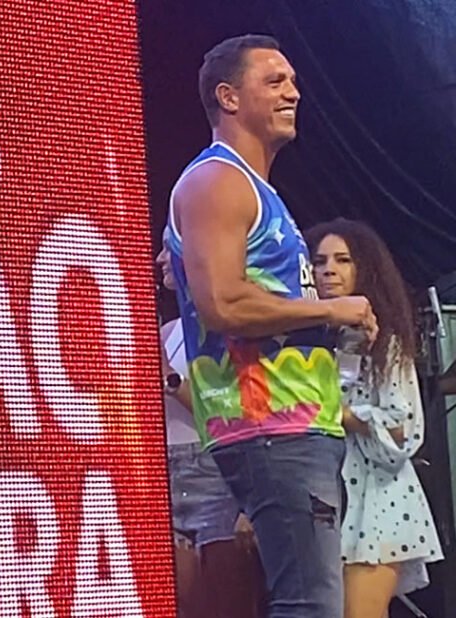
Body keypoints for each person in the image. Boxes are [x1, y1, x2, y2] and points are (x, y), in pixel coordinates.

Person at [163, 34, 378, 618]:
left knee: (311, 601)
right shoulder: (217, 181)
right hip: (269, 424)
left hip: (291, 424)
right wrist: (331, 309)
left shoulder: (252, 189)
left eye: (293, 81)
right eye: (274, 80)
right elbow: (223, 304)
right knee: (310, 605)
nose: (294, 92)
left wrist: (331, 329)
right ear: (228, 97)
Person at [307, 218, 443, 618]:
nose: (328, 270)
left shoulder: (388, 345)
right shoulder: (307, 344)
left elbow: (403, 430)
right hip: (324, 497)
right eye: (319, 261)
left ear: (364, 268)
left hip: (379, 498)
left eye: (343, 260)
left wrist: (341, 415)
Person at [158, 244, 266, 618]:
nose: (158, 260)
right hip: (166, 472)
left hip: (216, 468)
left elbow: (233, 414)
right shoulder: (167, 331)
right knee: (181, 603)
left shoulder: (227, 329)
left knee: (226, 601)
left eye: (167, 250)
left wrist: (170, 379)